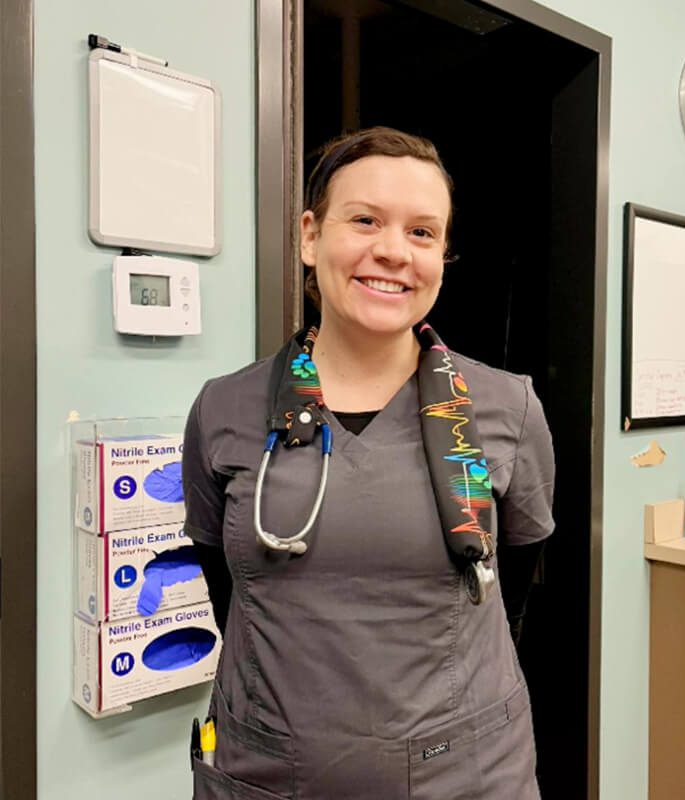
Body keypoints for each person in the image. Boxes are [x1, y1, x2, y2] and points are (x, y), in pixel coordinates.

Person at [183, 126, 555, 799]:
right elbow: (231, 588)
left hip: (467, 775)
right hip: (269, 772)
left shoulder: (507, 409)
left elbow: (514, 583)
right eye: (364, 220)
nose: (393, 251)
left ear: (442, 255)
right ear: (309, 236)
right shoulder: (224, 409)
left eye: (422, 232)